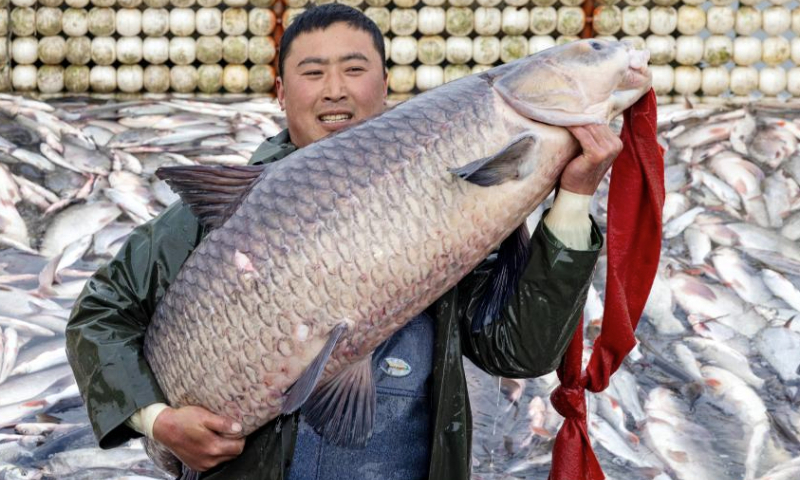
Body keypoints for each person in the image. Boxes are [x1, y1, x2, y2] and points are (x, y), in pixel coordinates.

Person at [66, 4, 622, 479]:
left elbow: (519, 351)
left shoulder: (462, 202)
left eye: (354, 69)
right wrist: (156, 419)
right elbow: (98, 315)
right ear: (281, 92)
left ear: (385, 85)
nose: (335, 90)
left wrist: (572, 200)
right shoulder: (211, 216)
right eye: (313, 73)